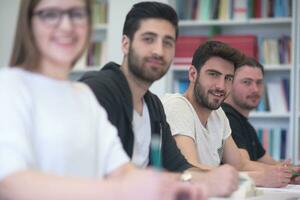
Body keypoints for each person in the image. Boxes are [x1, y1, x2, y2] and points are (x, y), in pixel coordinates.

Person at [0, 0, 207, 200]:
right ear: (28, 23)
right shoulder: (9, 86)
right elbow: (9, 183)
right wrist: (122, 191)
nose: (66, 26)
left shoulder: (83, 97)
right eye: (50, 14)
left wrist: (178, 188)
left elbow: (123, 172)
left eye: (77, 14)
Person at [80, 1, 239, 197]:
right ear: (125, 44)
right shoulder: (98, 91)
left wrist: (211, 179)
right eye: (149, 39)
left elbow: (179, 168)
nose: (159, 51)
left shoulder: (153, 106)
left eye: (167, 42)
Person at [162, 41, 293, 187]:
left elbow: (240, 165)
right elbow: (189, 169)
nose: (221, 86)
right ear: (193, 74)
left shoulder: (218, 114)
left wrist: (283, 174)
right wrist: (257, 178)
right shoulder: (177, 105)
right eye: (213, 74)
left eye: (228, 78)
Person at [222, 57, 300, 185]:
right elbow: (242, 165)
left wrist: (293, 172)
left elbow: (271, 163)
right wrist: (286, 172)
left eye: (259, 82)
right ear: (229, 84)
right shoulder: (226, 117)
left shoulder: (246, 125)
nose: (255, 89)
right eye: (247, 82)